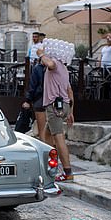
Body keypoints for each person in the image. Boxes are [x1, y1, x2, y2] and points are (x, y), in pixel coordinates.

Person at [38, 45, 75, 182]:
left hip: (54, 107)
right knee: (47, 134)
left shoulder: (55, 64)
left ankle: (68, 172)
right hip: (64, 106)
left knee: (59, 138)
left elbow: (49, 63)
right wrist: (71, 112)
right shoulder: (65, 69)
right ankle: (50, 165)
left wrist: (41, 54)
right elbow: (70, 91)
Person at [21, 56, 46, 139]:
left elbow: (32, 86)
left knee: (42, 130)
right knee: (51, 131)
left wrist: (28, 100)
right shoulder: (55, 68)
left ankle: (45, 149)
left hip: (40, 100)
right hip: (53, 101)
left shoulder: (37, 69)